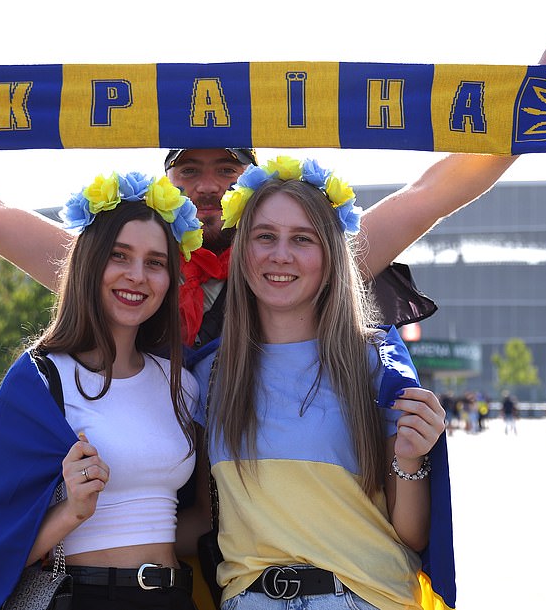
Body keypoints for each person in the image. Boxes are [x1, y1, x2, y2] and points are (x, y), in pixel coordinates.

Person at [0, 38, 546, 348]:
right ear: (167, 180)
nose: (212, 187)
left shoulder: (307, 257)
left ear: (253, 177)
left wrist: (536, 110)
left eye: (227, 170)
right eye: (192, 172)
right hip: (152, 534)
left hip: (279, 538)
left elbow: (432, 191)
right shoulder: (124, 266)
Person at [191, 158, 447, 610]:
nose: (280, 254)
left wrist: (412, 457)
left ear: (330, 254)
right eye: (265, 236)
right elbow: (200, 518)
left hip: (365, 598)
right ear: (242, 250)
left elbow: (412, 532)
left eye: (302, 239)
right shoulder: (208, 374)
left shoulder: (374, 361)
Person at [0, 173, 203, 610]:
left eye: (155, 262)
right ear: (89, 263)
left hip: (173, 599)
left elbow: (197, 520)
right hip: (84, 597)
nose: (137, 276)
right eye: (119, 256)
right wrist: (71, 511)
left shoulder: (183, 382)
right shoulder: (39, 379)